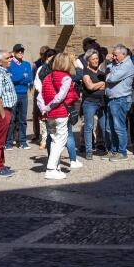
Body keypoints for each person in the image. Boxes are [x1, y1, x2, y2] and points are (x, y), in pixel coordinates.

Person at [36, 50, 76, 180]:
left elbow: (40, 95)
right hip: (60, 112)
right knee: (60, 141)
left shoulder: (48, 76)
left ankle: (56, 167)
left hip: (50, 114)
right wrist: (47, 107)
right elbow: (60, 97)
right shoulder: (66, 78)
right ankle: (51, 168)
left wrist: (43, 108)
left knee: (54, 140)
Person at [104, 44, 134, 160]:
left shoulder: (127, 65)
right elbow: (104, 70)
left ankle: (122, 152)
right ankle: (114, 151)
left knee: (119, 127)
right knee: (111, 127)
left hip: (120, 99)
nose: (114, 57)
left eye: (116, 55)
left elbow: (111, 78)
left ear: (123, 54)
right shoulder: (118, 64)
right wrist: (107, 63)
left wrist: (108, 74)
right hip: (113, 99)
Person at [78, 49, 109, 159]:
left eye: (97, 58)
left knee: (105, 126)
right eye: (93, 59)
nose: (96, 61)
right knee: (88, 127)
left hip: (101, 102)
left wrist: (97, 85)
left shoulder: (101, 72)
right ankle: (89, 151)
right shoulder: (86, 73)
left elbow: (106, 86)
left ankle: (107, 148)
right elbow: (90, 87)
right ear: (88, 61)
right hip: (89, 102)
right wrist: (101, 83)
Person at [7, 44, 33, 149]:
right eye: (18, 51)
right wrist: (23, 76)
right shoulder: (10, 64)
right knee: (11, 119)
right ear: (13, 53)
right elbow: (11, 80)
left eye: (22, 51)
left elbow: (29, 78)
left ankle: (22, 141)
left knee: (22, 120)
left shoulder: (27, 64)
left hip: (23, 95)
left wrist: (20, 79)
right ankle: (8, 142)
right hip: (13, 94)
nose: (21, 53)